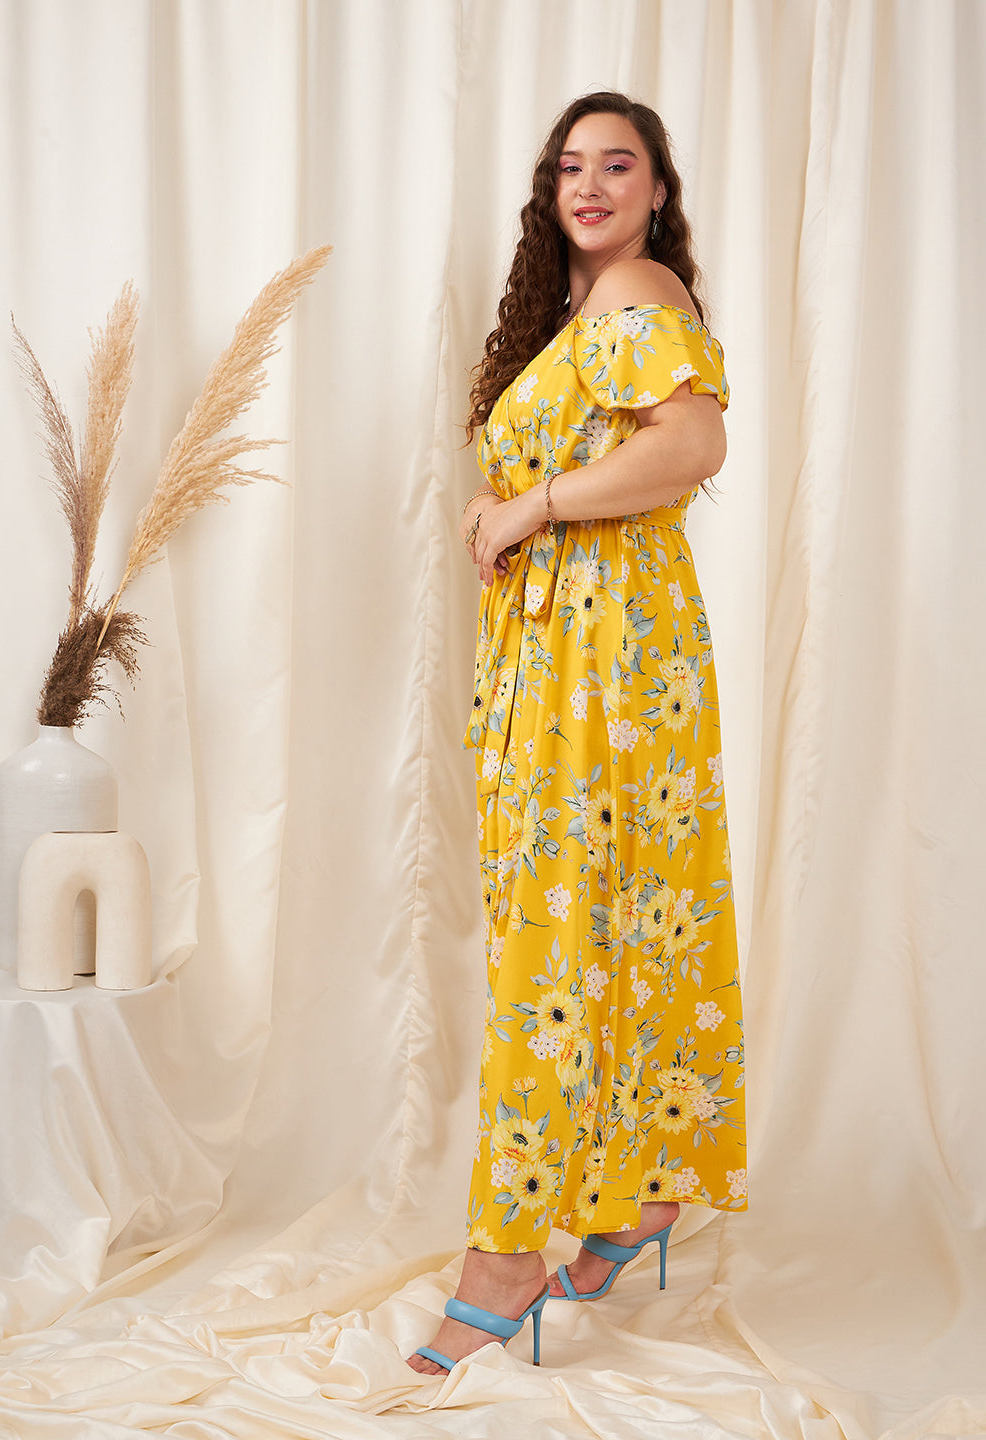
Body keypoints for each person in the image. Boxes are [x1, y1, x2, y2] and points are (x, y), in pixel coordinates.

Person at [408, 91, 747, 1376]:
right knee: (614, 917)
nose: (591, 184)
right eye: (569, 167)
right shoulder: (582, 313)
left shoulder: (637, 291)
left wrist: (534, 505)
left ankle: (506, 1256)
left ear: (659, 190)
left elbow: (694, 442)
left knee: (556, 942)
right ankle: (642, 1189)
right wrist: (503, 514)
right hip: (583, 660)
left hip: (606, 669)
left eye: (619, 164)